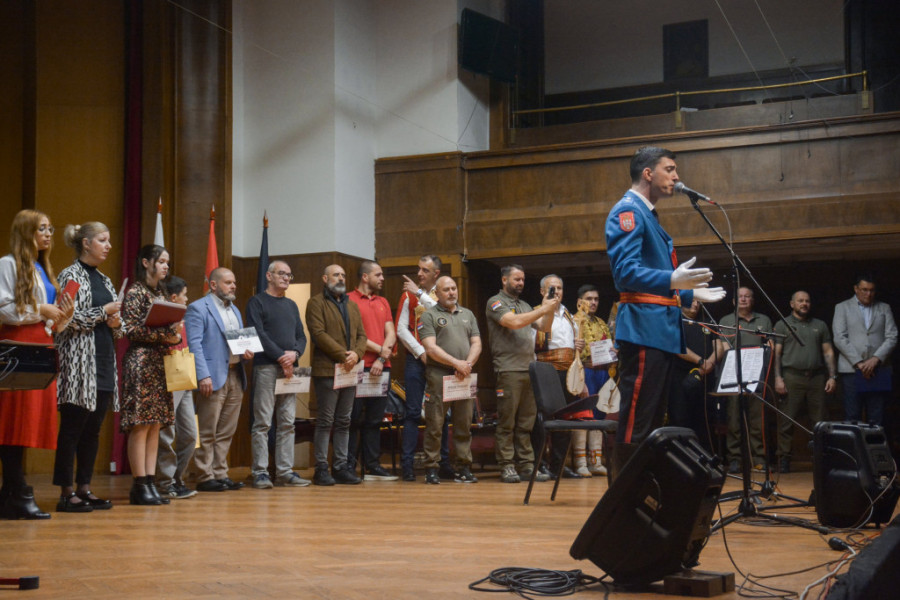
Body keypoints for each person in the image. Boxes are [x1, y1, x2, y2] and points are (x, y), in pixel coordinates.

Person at [605, 146, 724, 479]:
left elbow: (649, 273)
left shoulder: (647, 214)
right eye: (669, 169)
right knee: (638, 421)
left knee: (653, 422)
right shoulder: (627, 211)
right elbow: (625, 274)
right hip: (645, 330)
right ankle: (624, 496)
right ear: (648, 173)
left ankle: (644, 489)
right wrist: (672, 280)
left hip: (658, 331)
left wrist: (686, 292)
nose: (676, 176)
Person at [0, 210, 72, 520]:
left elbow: (48, 317)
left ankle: (10, 494)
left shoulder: (42, 268)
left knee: (27, 422)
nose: (48, 234)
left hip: (41, 344)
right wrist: (41, 309)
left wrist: (61, 316)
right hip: (17, 345)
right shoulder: (8, 264)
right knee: (12, 420)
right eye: (41, 228)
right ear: (25, 231)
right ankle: (18, 490)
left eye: (50, 228)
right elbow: (4, 308)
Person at [53, 222, 122, 513]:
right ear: (86, 243)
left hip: (104, 361)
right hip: (78, 364)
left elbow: (117, 324)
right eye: (102, 240)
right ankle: (66, 492)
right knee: (72, 429)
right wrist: (103, 312)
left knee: (93, 431)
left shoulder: (105, 280)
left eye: (109, 240)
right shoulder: (70, 275)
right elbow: (64, 319)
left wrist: (116, 322)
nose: (108, 246)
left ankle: (84, 487)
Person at [485, 264, 557, 484]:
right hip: (508, 369)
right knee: (507, 422)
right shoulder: (495, 302)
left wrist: (549, 308)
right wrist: (543, 309)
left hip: (529, 368)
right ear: (504, 280)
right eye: (516, 279)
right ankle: (507, 465)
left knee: (526, 423)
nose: (521, 283)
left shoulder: (525, 305)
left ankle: (526, 465)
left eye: (523, 279)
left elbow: (544, 327)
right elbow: (513, 322)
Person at [121, 244, 182, 505]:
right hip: (141, 361)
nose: (166, 266)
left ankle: (149, 481)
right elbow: (132, 330)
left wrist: (175, 335)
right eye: (161, 261)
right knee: (141, 423)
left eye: (168, 262)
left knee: (155, 423)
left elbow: (167, 329)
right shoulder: (136, 292)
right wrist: (165, 334)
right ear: (146, 263)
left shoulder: (161, 292)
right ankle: (139, 485)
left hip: (159, 362)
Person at [184, 267, 254, 493]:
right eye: (228, 282)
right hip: (212, 376)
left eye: (234, 282)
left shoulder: (235, 309)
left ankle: (220, 473)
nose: (234, 286)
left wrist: (246, 352)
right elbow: (194, 345)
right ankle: (204, 475)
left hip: (235, 373)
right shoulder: (198, 308)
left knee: (226, 431)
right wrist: (203, 375)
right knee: (207, 430)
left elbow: (237, 341)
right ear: (213, 285)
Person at [246, 261, 309, 488]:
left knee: (287, 423)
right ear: (269, 276)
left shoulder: (291, 305)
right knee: (262, 422)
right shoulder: (257, 302)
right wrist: (282, 356)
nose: (286, 278)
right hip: (266, 367)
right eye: (281, 274)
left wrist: (295, 353)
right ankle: (260, 472)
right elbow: (258, 334)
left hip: (291, 369)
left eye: (289, 275)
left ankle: (284, 471)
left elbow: (301, 336)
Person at [306, 264, 368, 486]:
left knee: (344, 420)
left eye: (343, 275)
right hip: (327, 370)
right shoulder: (316, 303)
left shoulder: (352, 305)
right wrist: (344, 355)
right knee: (326, 421)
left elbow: (362, 336)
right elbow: (318, 334)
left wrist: (356, 354)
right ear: (325, 278)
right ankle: (321, 468)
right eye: (336, 275)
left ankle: (341, 467)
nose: (341, 278)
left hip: (349, 370)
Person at [394, 255, 454, 482]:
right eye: (418, 269)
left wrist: (420, 294)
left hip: (441, 360)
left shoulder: (444, 294)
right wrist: (421, 353)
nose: (419, 274)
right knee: (411, 412)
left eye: (425, 270)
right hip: (415, 359)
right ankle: (407, 465)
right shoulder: (407, 295)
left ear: (436, 274)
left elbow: (444, 312)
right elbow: (401, 329)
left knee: (441, 413)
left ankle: (443, 463)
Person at [419, 276, 481, 484]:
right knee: (435, 424)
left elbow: (477, 343)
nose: (452, 292)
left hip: (464, 374)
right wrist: (456, 363)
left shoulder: (468, 314)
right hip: (439, 375)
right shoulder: (429, 315)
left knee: (464, 423)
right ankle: (431, 468)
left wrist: (467, 365)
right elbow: (430, 348)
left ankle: (463, 467)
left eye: (454, 288)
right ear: (436, 293)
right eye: (446, 289)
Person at [773, 291, 837, 473]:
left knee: (820, 421)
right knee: (786, 420)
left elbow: (828, 352)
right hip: (792, 377)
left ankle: (822, 459)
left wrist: (832, 376)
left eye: (807, 301)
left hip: (816, 378)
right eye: (800, 301)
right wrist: (777, 377)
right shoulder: (782, 324)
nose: (804, 304)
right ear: (792, 304)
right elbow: (776, 354)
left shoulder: (820, 325)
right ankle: (784, 459)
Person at [347, 261, 398, 481]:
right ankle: (348, 466)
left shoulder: (383, 301)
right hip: (357, 367)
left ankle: (372, 465)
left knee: (375, 420)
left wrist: (381, 358)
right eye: (378, 274)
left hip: (381, 368)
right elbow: (353, 335)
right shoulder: (348, 300)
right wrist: (381, 351)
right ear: (365, 277)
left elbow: (391, 332)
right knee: (352, 419)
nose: (382, 278)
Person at [532, 274, 585, 479]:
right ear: (542, 291)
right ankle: (540, 464)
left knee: (566, 417)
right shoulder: (535, 313)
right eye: (552, 288)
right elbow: (531, 345)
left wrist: (577, 345)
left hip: (568, 372)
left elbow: (573, 345)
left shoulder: (569, 315)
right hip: (546, 371)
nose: (557, 292)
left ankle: (559, 465)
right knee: (542, 420)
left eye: (560, 288)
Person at [716, 287, 773, 473]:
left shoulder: (764, 320)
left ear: (752, 300)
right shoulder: (726, 321)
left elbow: (770, 344)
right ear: (734, 301)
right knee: (734, 419)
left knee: (757, 420)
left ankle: (759, 458)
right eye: (739, 297)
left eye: (747, 296)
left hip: (757, 375)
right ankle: (735, 459)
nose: (743, 299)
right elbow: (724, 347)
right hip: (734, 374)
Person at [832, 274, 897, 426]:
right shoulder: (842, 307)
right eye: (864, 290)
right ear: (856, 289)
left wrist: (876, 359)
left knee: (877, 417)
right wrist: (859, 363)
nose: (868, 294)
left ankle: (875, 444)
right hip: (852, 370)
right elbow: (839, 338)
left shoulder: (884, 308)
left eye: (872, 290)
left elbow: (892, 336)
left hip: (879, 369)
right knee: (852, 416)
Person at [155, 275, 198, 499]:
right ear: (173, 297)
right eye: (184, 295)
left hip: (185, 375)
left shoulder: (182, 317)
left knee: (190, 433)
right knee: (166, 433)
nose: (187, 299)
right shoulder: (162, 318)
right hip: (168, 375)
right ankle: (165, 482)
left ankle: (177, 477)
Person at [572, 284, 614, 476]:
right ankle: (580, 462)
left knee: (599, 414)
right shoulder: (573, 321)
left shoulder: (601, 323)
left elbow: (608, 346)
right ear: (579, 301)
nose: (593, 302)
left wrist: (614, 351)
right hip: (585, 370)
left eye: (596, 299)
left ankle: (595, 461)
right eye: (589, 299)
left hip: (602, 371)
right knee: (583, 414)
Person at [669, 300, 717, 453]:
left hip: (706, 378)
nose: (695, 305)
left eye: (698, 302)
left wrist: (709, 363)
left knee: (704, 420)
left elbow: (719, 346)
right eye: (692, 301)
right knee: (681, 419)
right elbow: (676, 346)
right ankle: (684, 456)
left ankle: (706, 457)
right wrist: (701, 361)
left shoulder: (708, 321)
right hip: (681, 379)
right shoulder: (675, 320)